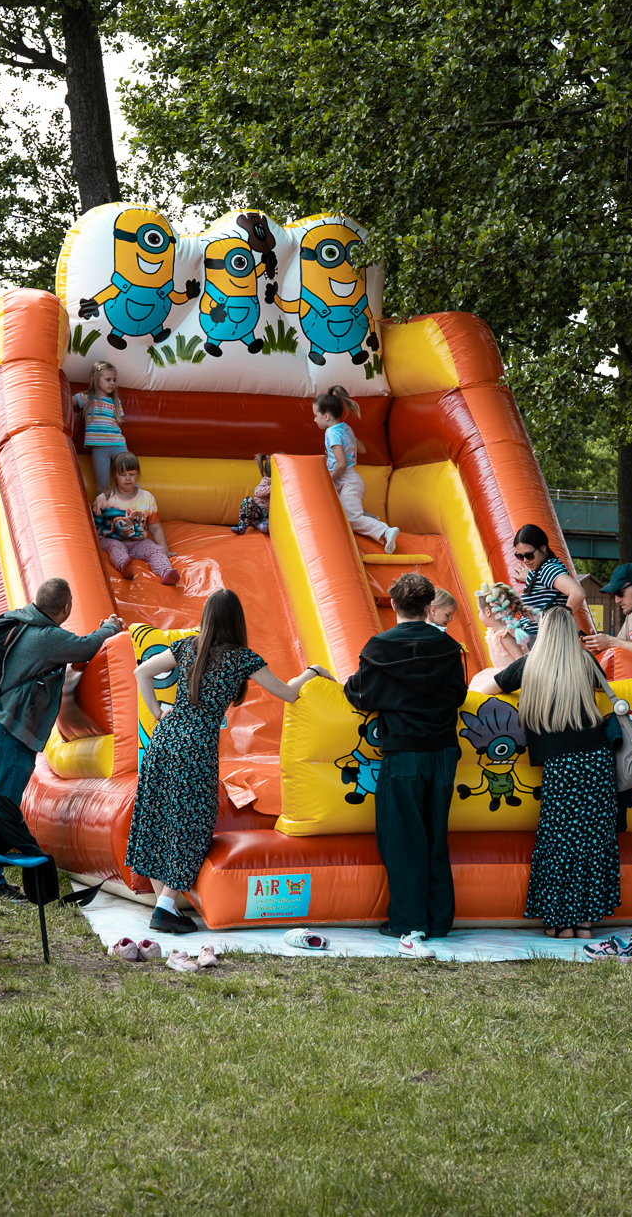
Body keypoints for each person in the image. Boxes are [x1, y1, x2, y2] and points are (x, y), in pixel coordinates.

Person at [128, 590, 334, 937]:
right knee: (193, 820)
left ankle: (165, 905)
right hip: (195, 747)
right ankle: (165, 905)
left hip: (164, 740)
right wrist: (312, 671)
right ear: (236, 621)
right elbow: (288, 693)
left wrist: (157, 712)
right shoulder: (241, 658)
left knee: (158, 815)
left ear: (207, 617)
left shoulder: (188, 646)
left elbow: (141, 672)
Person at [0, 576, 124, 897]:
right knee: (2, 806)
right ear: (66, 607)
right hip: (10, 732)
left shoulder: (16, 620)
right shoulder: (47, 638)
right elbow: (85, 647)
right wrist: (111, 627)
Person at [341, 572, 469, 957]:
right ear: (430, 607)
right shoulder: (449, 648)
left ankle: (408, 921)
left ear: (394, 604)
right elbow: (459, 696)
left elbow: (360, 695)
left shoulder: (380, 647)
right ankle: (439, 920)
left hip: (403, 751)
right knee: (435, 834)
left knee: (401, 837)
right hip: (443, 752)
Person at [472, 607, 619, 939]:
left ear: (544, 632)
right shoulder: (586, 662)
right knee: (593, 840)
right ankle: (585, 923)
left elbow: (483, 691)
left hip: (560, 764)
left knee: (559, 841)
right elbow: (604, 689)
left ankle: (560, 921)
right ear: (570, 633)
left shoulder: (529, 665)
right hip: (597, 760)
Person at [312, 384, 399, 552]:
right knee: (336, 511)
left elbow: (341, 463)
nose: (315, 420)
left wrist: (327, 479)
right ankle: (367, 516)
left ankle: (386, 531)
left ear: (327, 416)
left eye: (316, 415)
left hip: (347, 481)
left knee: (351, 518)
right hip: (350, 480)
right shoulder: (346, 428)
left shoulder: (331, 433)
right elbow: (363, 449)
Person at [486, 524, 586, 666]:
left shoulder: (548, 569)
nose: (525, 560)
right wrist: (530, 577)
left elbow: (578, 592)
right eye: (520, 556)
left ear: (543, 548)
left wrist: (560, 623)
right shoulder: (539, 570)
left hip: (542, 639)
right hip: (536, 637)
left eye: (529, 555)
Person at [95, 451, 180, 585]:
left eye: (132, 474)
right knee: (116, 547)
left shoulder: (147, 498)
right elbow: (94, 527)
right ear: (115, 475)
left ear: (138, 474)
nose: (128, 478)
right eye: (123, 475)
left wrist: (165, 549)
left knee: (156, 550)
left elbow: (155, 528)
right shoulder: (104, 499)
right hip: (112, 539)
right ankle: (124, 566)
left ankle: (166, 572)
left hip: (138, 542)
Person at [74, 360, 130, 492]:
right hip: (99, 447)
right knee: (102, 485)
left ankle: (137, 503)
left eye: (114, 380)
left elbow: (116, 423)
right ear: (95, 379)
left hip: (118, 445)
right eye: (108, 379)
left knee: (128, 476)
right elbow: (65, 402)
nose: (112, 383)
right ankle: (102, 505)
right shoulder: (86, 398)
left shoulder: (115, 402)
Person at [231, 453, 272, 535]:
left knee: (271, 521)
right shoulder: (267, 480)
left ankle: (262, 526)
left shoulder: (285, 483)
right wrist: (272, 488)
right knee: (247, 500)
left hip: (270, 516)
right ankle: (242, 527)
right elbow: (257, 492)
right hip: (258, 512)